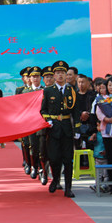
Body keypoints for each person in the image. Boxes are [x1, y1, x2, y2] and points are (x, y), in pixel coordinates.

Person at [40, 60, 78, 198]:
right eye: (57, 73)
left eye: (63, 73)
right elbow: (43, 110)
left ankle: (68, 188)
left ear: (66, 75)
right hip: (53, 128)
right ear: (54, 76)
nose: (60, 75)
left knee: (68, 159)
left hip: (67, 128)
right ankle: (55, 180)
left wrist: (77, 129)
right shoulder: (48, 91)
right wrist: (48, 120)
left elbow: (75, 112)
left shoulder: (71, 91)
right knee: (54, 158)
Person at [95, 75, 112, 193]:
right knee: (110, 158)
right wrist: (107, 119)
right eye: (109, 85)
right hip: (107, 133)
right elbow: (99, 113)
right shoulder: (102, 99)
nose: (111, 87)